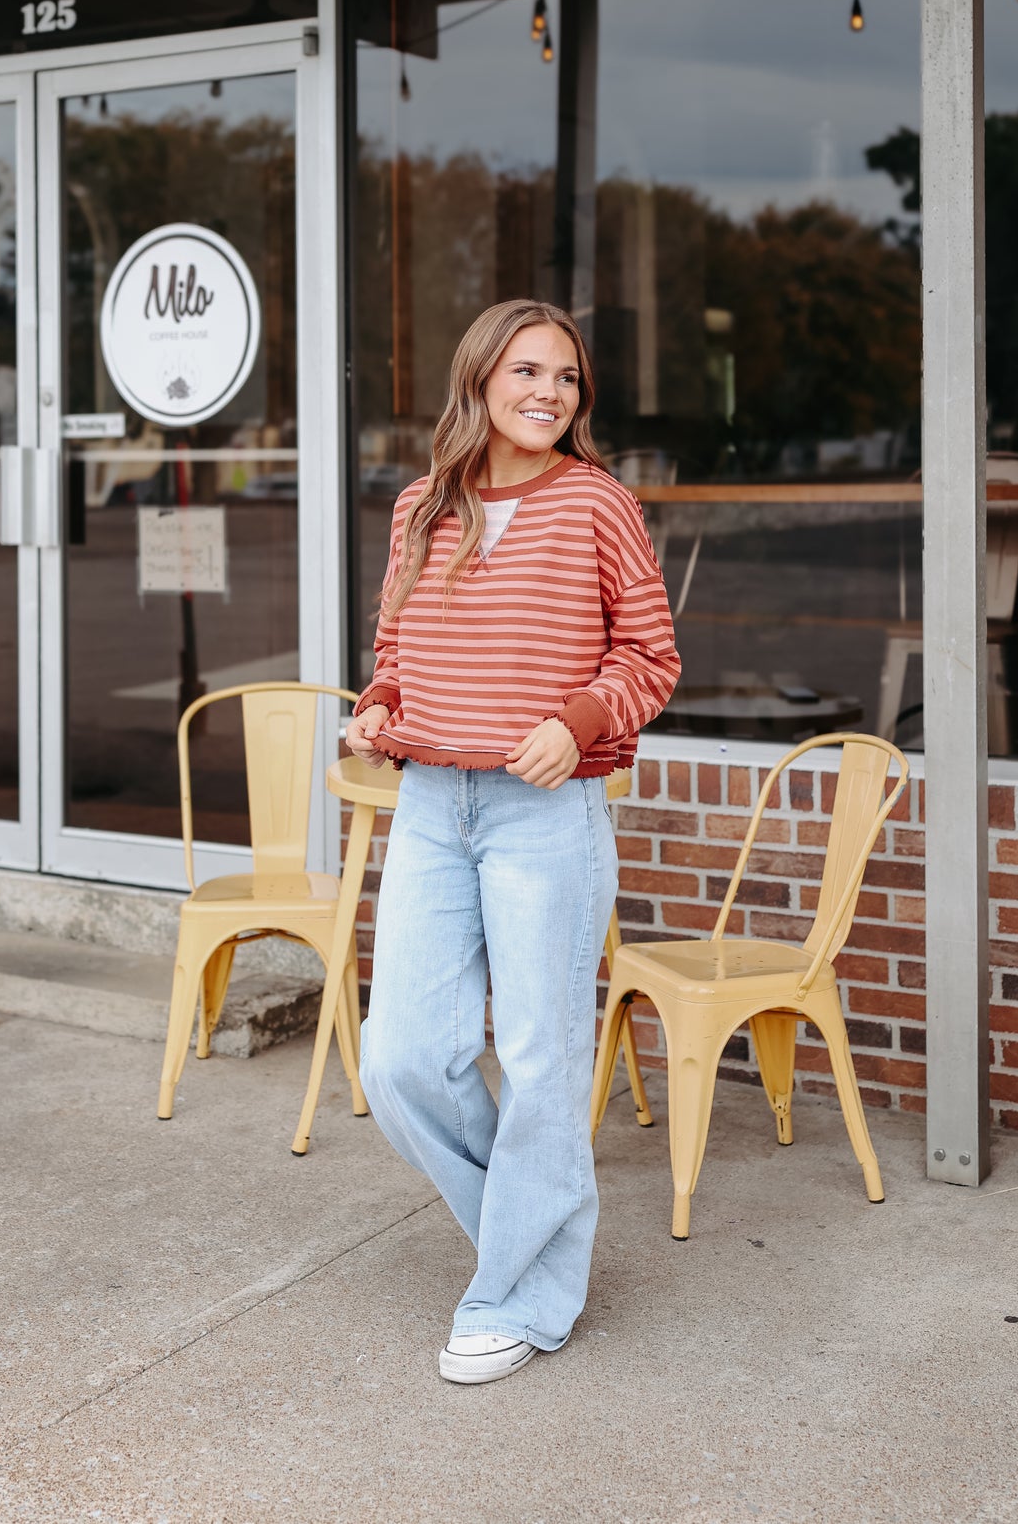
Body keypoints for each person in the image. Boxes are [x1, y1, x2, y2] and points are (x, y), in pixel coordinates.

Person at [348, 298, 680, 1385]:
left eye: (566, 379)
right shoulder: (420, 506)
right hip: (435, 807)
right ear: (480, 379)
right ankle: (528, 1223)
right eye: (526, 371)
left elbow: (649, 656)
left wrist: (574, 724)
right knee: (400, 1054)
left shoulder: (597, 504)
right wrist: (375, 706)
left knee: (540, 1059)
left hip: (545, 815)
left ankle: (520, 1294)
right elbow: (394, 650)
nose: (547, 393)